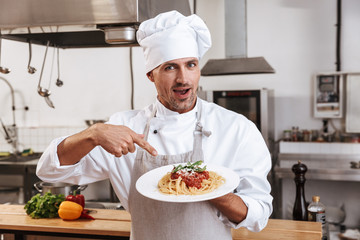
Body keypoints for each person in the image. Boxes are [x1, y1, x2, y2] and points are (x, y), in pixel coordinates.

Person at [36, 10, 272, 240]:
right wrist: (93, 134)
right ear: (151, 74)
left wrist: (210, 190)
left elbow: (259, 214)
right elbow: (49, 169)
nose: (183, 79)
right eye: (170, 67)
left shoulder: (236, 128)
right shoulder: (124, 127)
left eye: (191, 65)